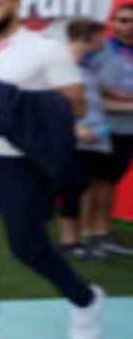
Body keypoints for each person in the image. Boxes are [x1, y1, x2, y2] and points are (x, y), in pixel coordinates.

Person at [0, 0, 103, 339]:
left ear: (16, 7)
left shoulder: (46, 50)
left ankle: (85, 299)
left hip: (20, 165)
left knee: (28, 247)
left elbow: (78, 106)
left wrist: (18, 104)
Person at [57, 19, 129, 258]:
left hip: (94, 140)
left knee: (79, 187)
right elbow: (50, 101)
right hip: (75, 140)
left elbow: (97, 102)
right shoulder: (61, 64)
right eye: (99, 36)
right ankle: (69, 241)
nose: (103, 41)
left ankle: (78, 240)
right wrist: (74, 129)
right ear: (86, 37)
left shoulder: (85, 68)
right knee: (74, 189)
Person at [84, 4, 133, 255]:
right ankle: (88, 234)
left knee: (109, 183)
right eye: (122, 20)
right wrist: (112, 94)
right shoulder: (98, 49)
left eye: (131, 21)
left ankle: (102, 231)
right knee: (91, 182)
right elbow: (84, 82)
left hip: (128, 130)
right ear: (113, 22)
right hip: (101, 129)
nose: (128, 26)